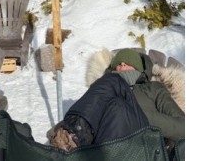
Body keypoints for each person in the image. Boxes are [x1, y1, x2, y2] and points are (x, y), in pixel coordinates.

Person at [48, 49, 185, 152]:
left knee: (118, 104)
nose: (122, 65)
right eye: (118, 64)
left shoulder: (153, 89)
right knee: (116, 105)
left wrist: (144, 116)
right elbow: (87, 116)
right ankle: (72, 136)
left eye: (128, 63)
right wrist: (62, 132)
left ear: (139, 68)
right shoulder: (103, 90)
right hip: (102, 149)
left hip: (143, 147)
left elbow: (184, 126)